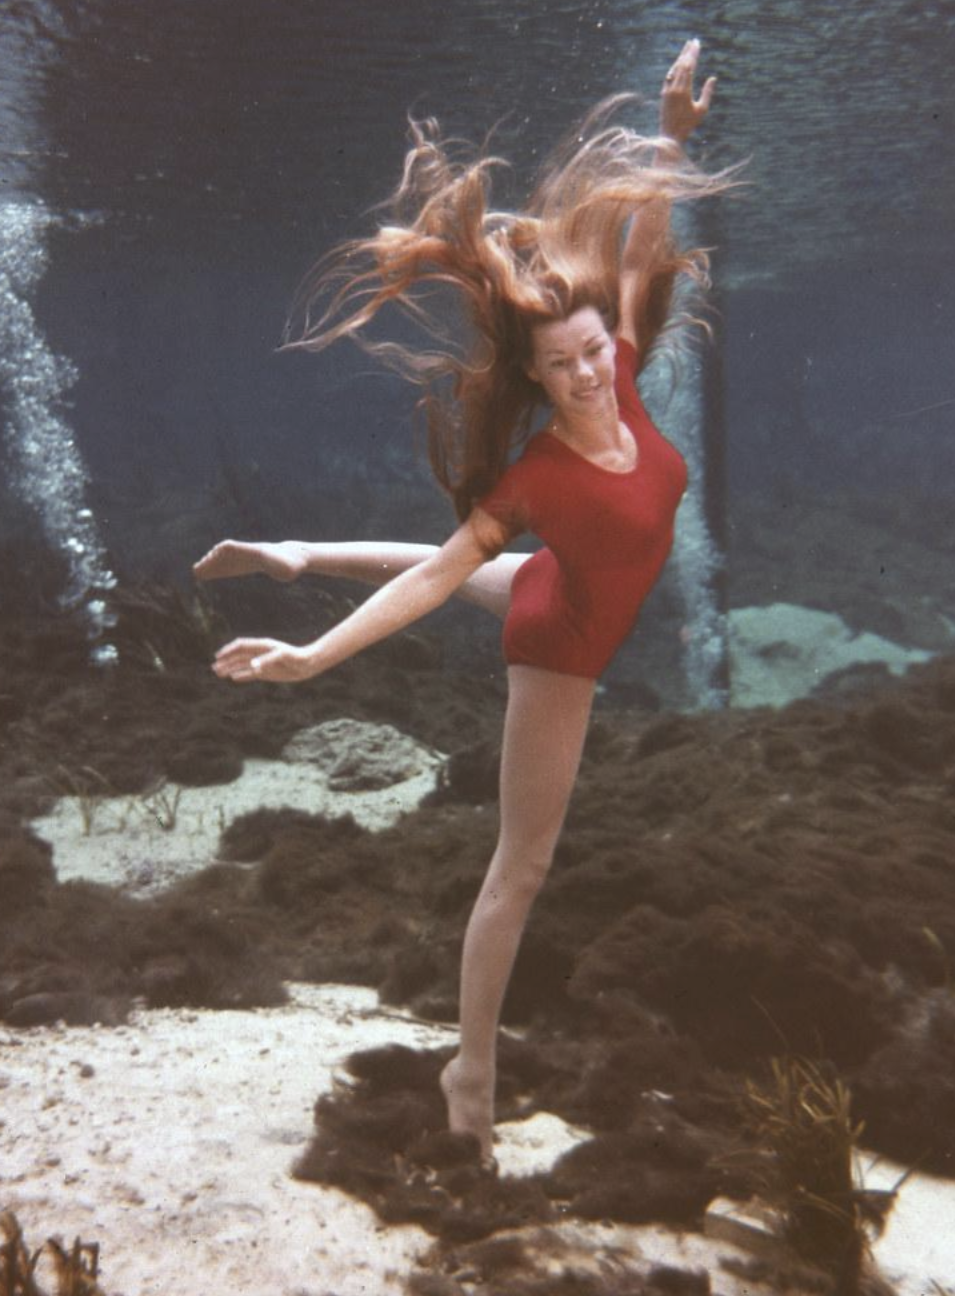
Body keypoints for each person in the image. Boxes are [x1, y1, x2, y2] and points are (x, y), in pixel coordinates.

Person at [194, 39, 723, 1165]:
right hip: (561, 641)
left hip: (554, 582)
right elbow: (438, 576)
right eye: (562, 367)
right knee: (519, 869)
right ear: (534, 377)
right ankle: (469, 1073)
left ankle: (294, 551)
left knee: (498, 576)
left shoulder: (626, 373)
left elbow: (641, 246)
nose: (587, 375)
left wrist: (671, 140)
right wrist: (315, 662)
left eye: (592, 352)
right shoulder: (540, 476)